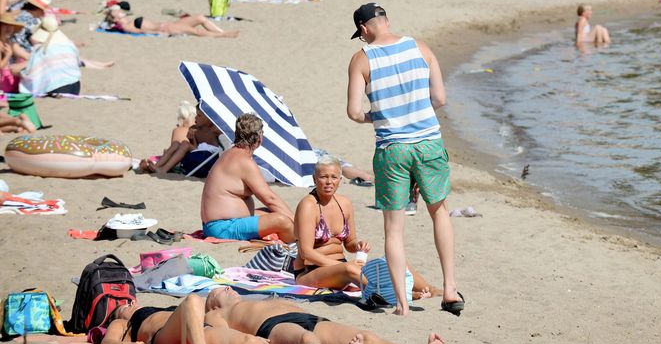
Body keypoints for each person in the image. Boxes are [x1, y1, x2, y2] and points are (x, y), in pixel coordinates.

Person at [346, 3, 464, 316]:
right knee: (439, 211)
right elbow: (439, 98)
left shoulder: (362, 59)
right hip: (428, 143)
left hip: (392, 148)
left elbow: (354, 111)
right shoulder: (421, 48)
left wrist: (376, 117)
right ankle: (450, 288)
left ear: (363, 29)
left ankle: (401, 304)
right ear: (386, 21)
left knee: (394, 228)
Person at [293, 157, 439, 298]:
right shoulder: (308, 206)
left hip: (341, 267)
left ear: (340, 180)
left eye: (334, 177)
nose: (329, 182)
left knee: (391, 261)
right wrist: (342, 265)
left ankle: (430, 289)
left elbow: (349, 244)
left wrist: (358, 245)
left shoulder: (345, 204)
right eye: (323, 177)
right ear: (314, 179)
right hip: (310, 271)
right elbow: (307, 253)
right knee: (350, 269)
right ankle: (395, 293)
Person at [205, 286, 446, 344]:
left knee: (366, 338)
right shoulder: (218, 313)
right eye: (220, 291)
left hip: (310, 317)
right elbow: (217, 334)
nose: (228, 288)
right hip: (271, 327)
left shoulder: (252, 298)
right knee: (305, 341)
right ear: (212, 304)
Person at [96, 294, 320, 344]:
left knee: (247, 342)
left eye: (129, 302)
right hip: (163, 339)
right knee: (193, 300)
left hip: (198, 333)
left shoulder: (159, 308)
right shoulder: (124, 325)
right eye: (124, 307)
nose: (129, 303)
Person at [200, 113, 295, 242]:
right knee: (282, 221)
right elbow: (269, 198)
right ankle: (297, 243)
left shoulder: (230, 154)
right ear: (259, 137)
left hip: (213, 225)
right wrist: (298, 224)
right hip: (223, 228)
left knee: (269, 212)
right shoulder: (244, 161)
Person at [140, 107, 224, 176]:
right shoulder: (194, 129)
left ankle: (163, 170)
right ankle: (157, 166)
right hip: (199, 154)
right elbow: (195, 147)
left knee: (185, 143)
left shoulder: (214, 129)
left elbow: (224, 146)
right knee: (176, 143)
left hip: (210, 157)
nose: (195, 118)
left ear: (209, 118)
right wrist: (191, 138)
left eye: (199, 116)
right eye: (196, 115)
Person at [102, 4, 238, 38]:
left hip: (169, 24)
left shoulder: (128, 20)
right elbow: (140, 31)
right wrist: (159, 33)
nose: (120, 11)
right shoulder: (126, 26)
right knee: (195, 31)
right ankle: (223, 35)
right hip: (166, 29)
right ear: (116, 18)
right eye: (117, 12)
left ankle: (223, 32)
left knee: (200, 18)